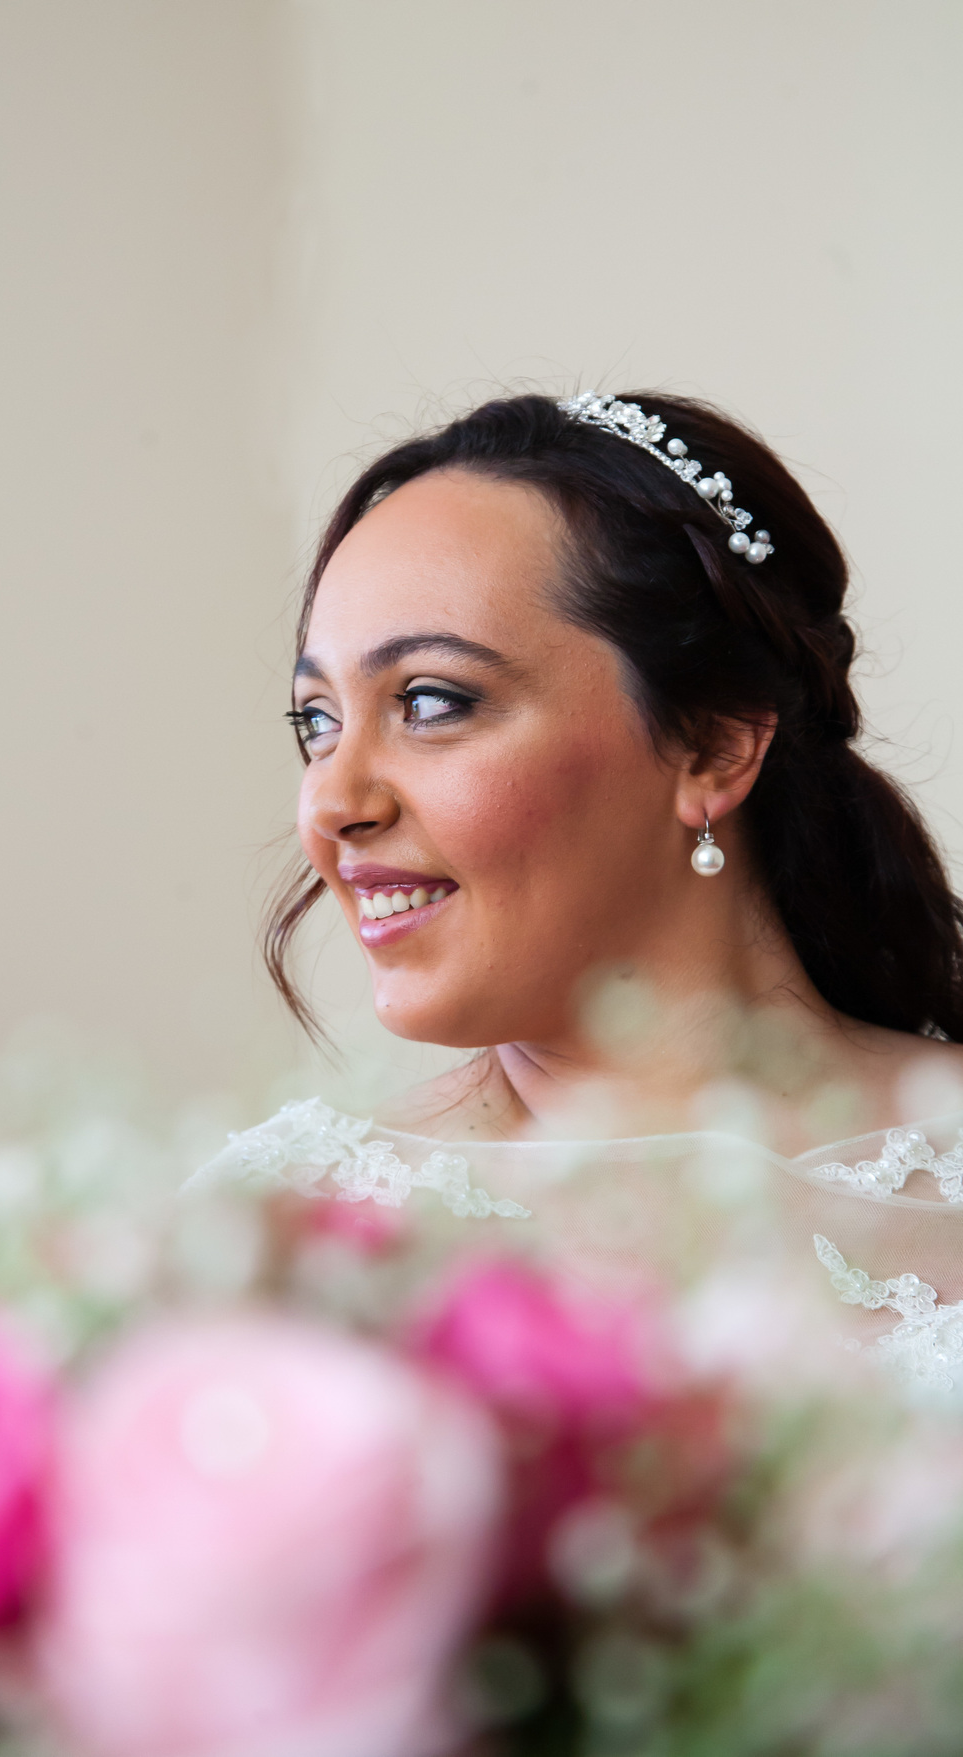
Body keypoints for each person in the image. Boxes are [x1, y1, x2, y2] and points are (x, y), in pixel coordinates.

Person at [198, 390, 963, 1379]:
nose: (333, 802)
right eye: (316, 721)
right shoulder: (280, 1228)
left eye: (430, 700)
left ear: (713, 743)